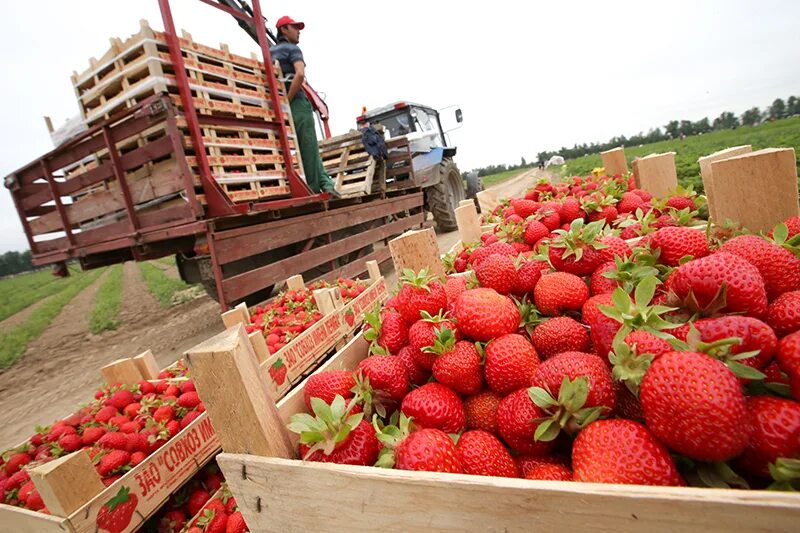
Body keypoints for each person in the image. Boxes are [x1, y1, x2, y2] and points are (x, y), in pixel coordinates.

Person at [270, 16, 339, 197]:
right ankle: (315, 190)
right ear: (284, 30)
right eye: (295, 27)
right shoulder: (293, 49)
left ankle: (326, 183)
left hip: (277, 106)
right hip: (296, 103)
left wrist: (281, 103)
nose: (298, 31)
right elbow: (299, 75)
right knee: (308, 148)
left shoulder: (269, 52)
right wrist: (288, 99)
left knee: (297, 149)